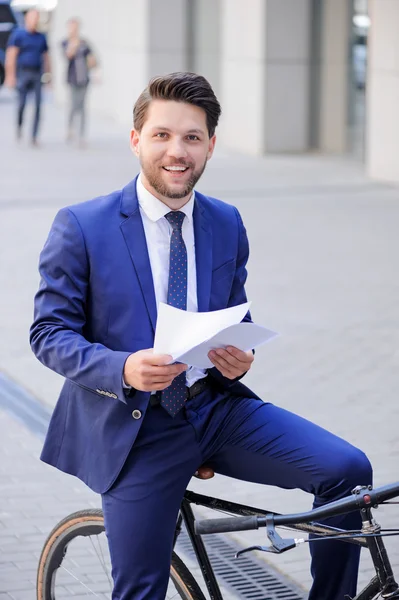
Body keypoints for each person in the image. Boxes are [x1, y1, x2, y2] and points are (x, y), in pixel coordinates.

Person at [30, 71, 372, 600]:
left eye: (192, 137)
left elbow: (234, 314)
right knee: (142, 590)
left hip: (214, 408)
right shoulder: (82, 225)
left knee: (349, 475)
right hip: (135, 428)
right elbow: (48, 332)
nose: (177, 151)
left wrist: (239, 356)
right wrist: (122, 367)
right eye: (162, 135)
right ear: (135, 139)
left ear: (210, 145)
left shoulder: (226, 222)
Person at [5, 9, 50, 146]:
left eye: (36, 18)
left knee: (38, 106)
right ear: (26, 19)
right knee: (21, 104)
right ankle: (19, 127)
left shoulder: (41, 37)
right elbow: (11, 56)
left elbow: (46, 57)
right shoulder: (18, 35)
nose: (34, 21)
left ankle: (34, 136)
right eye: (32, 18)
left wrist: (48, 75)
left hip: (37, 73)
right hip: (23, 72)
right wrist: (10, 76)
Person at [61, 17, 96, 148]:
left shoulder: (84, 43)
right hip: (72, 79)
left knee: (82, 107)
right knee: (73, 105)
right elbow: (68, 55)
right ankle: (70, 129)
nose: (73, 30)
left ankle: (82, 135)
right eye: (71, 27)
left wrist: (93, 67)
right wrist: (74, 44)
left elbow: (92, 58)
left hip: (84, 79)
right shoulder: (65, 42)